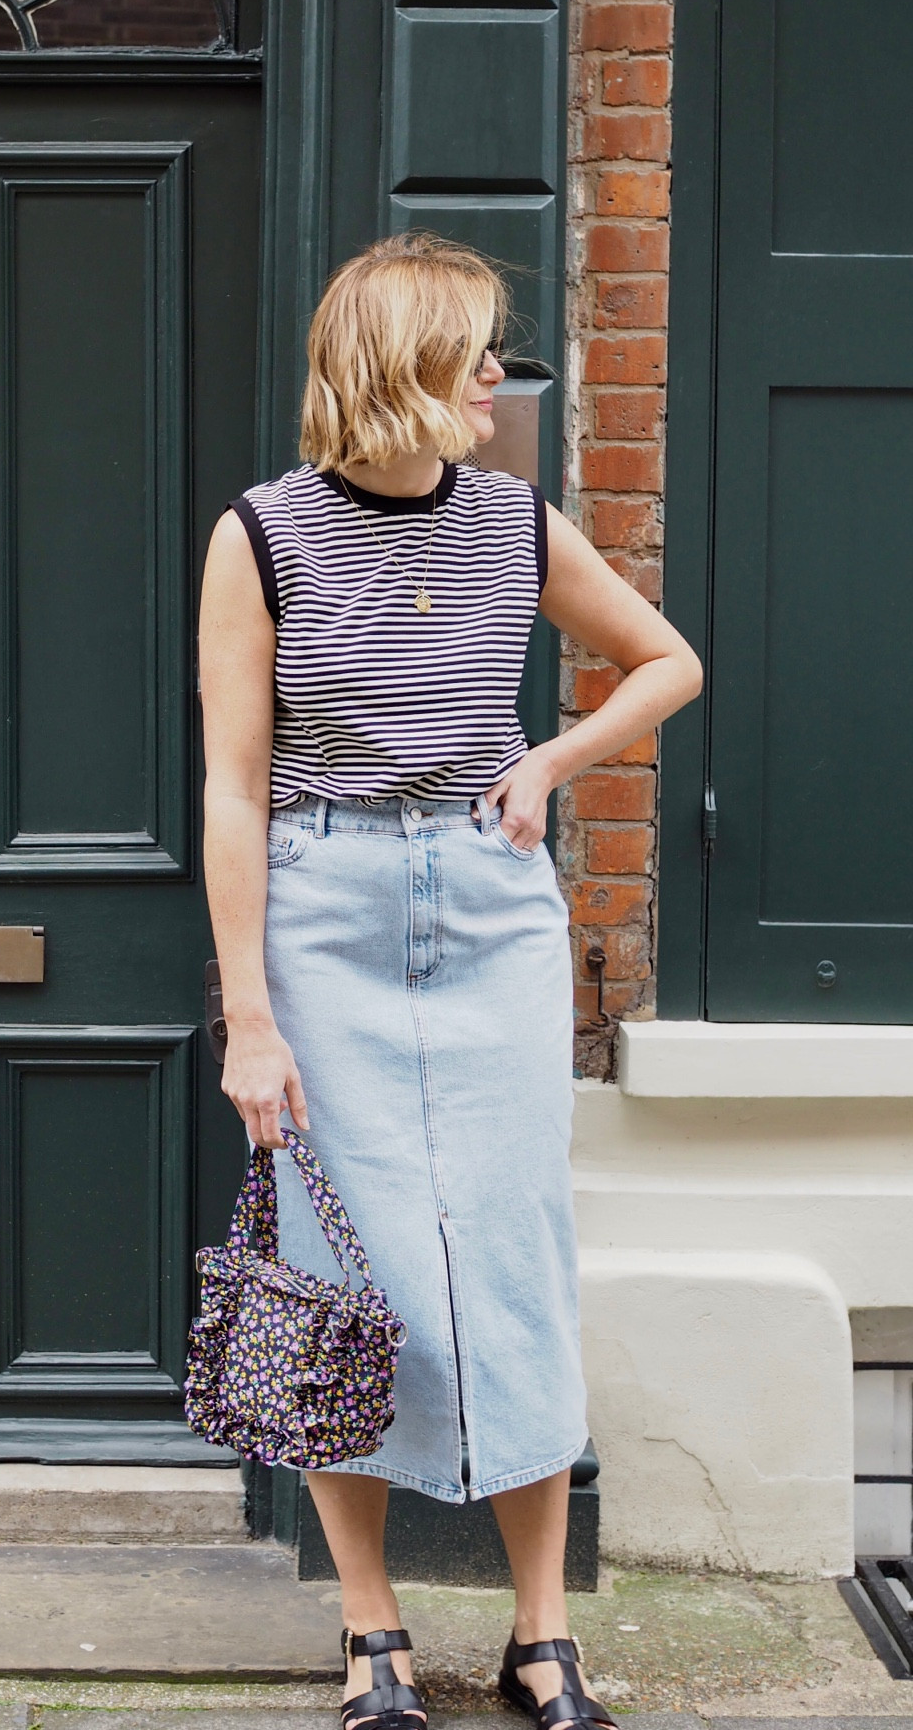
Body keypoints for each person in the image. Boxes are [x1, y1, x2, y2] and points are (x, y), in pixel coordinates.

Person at [197, 235, 703, 1730]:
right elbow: (234, 788)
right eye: (479, 352)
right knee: (340, 1273)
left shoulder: (515, 523)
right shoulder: (264, 534)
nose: (501, 376)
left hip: (486, 908)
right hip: (323, 907)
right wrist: (249, 1017)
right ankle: (372, 1635)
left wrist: (552, 756)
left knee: (511, 1256)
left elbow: (665, 659)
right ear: (408, 366)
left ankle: (545, 1636)